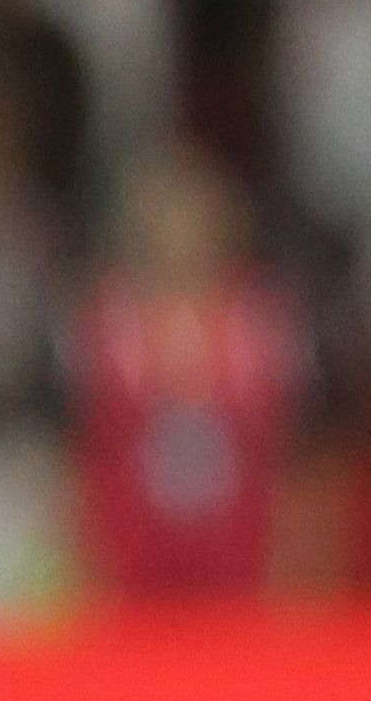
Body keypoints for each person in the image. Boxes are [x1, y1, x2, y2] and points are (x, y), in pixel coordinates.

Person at [71, 158, 303, 602]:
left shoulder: (255, 319)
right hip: (134, 543)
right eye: (170, 227)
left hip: (235, 543)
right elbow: (91, 440)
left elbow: (282, 447)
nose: (182, 241)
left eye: (193, 226)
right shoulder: (114, 317)